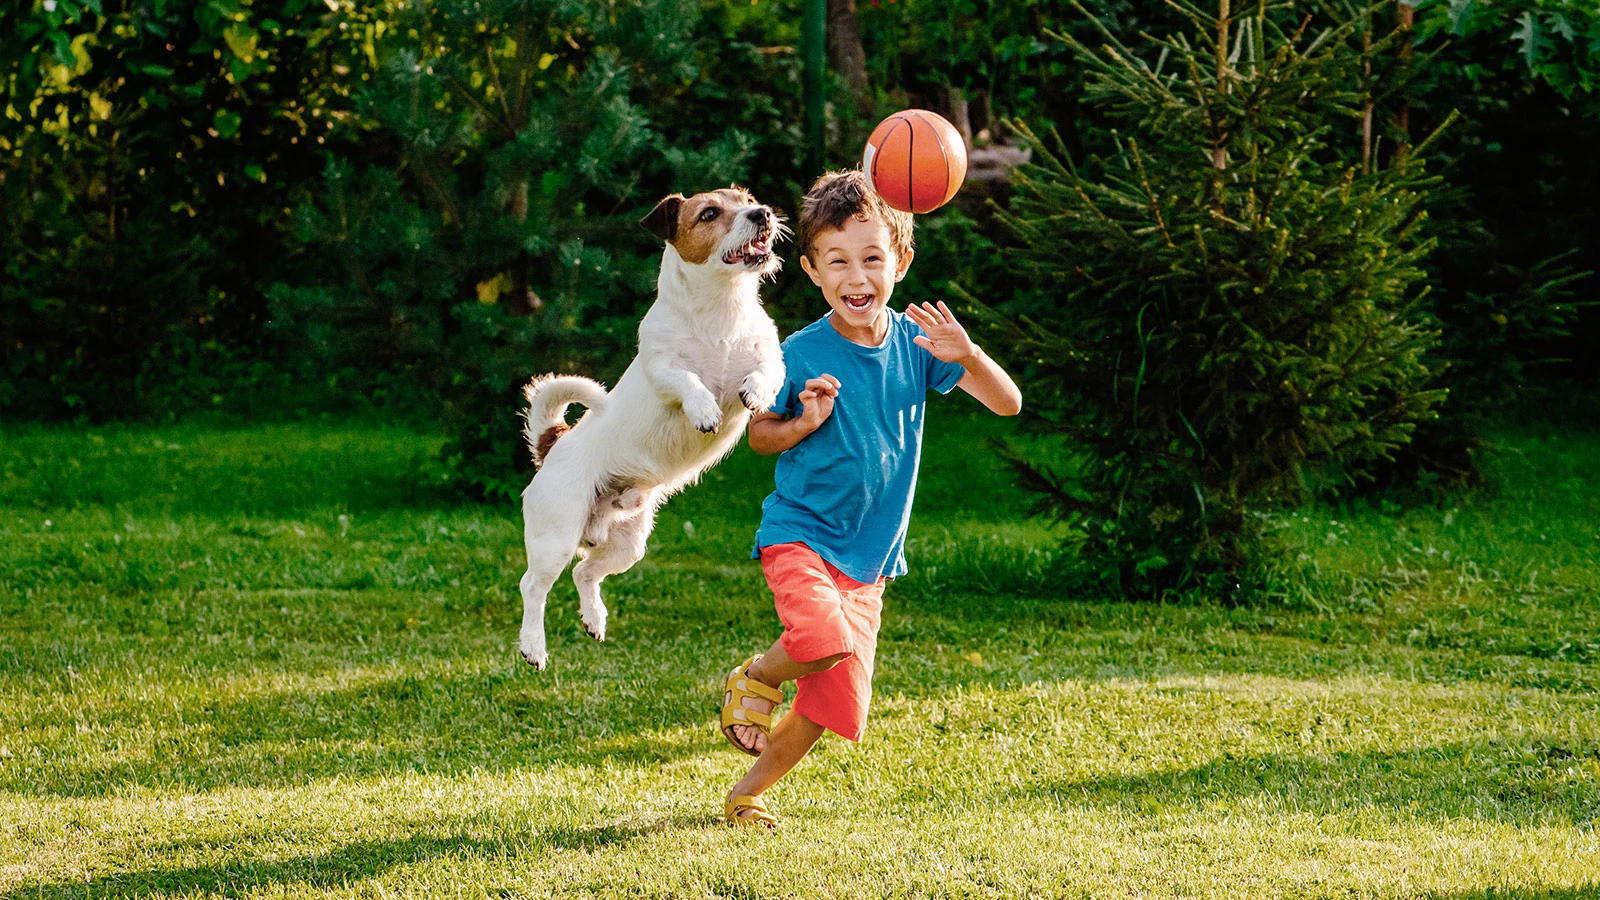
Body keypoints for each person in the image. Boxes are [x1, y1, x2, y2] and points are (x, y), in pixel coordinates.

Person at [717, 169, 1023, 827]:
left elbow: (1007, 402)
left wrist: (967, 354)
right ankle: (759, 677)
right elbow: (759, 436)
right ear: (811, 271)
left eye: (873, 258)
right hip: (801, 533)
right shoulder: (797, 351)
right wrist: (802, 422)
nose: (857, 277)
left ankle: (749, 793)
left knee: (831, 706)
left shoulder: (921, 346)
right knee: (819, 638)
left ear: (901, 262)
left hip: (868, 562)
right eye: (838, 262)